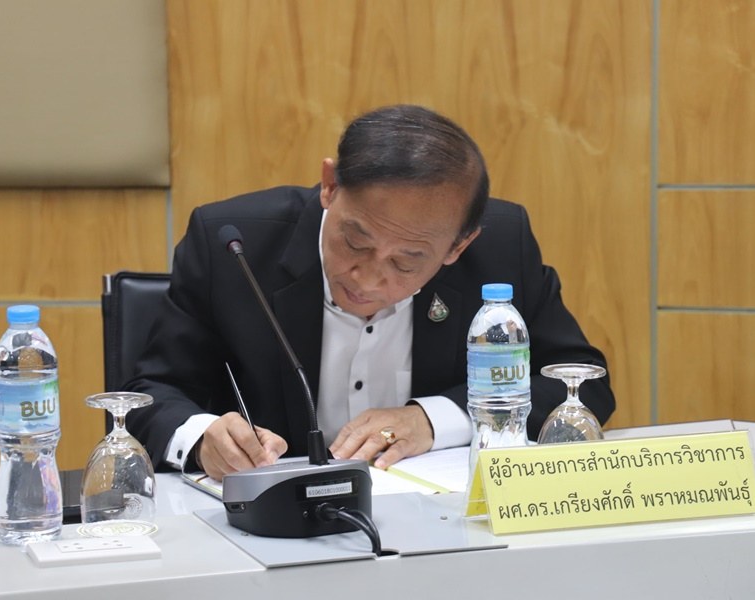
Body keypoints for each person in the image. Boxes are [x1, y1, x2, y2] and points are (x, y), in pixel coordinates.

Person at [124, 104, 614, 480]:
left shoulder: (503, 246)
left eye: (406, 262)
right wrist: (201, 436)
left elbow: (581, 384)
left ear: (458, 246)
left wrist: (434, 419)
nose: (368, 279)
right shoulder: (233, 246)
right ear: (330, 186)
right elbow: (152, 393)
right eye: (355, 242)